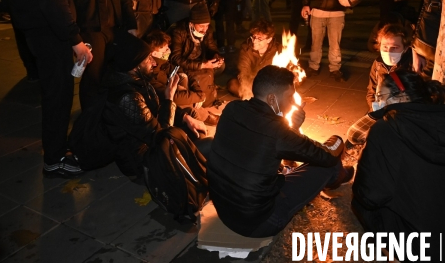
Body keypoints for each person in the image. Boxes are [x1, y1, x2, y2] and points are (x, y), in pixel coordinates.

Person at [352, 70, 445, 260]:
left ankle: (395, 250)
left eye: (380, 96)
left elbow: (370, 195)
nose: (377, 102)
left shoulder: (385, 130)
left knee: (365, 204)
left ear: (402, 97)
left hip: (431, 250)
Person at [5, 0, 93, 178]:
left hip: (40, 33)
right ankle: (55, 159)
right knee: (58, 96)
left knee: (56, 94)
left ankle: (56, 150)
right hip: (49, 35)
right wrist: (75, 38)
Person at [208, 65, 353, 237]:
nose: (293, 103)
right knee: (329, 160)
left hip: (225, 211)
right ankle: (336, 177)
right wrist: (336, 139)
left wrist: (292, 130)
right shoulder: (277, 131)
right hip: (260, 222)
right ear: (271, 99)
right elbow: (325, 156)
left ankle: (335, 177)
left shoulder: (232, 109)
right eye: (290, 97)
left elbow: (259, 141)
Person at [101, 33, 211, 180]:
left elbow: (156, 109)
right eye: (148, 59)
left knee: (191, 117)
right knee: (209, 145)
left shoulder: (136, 80)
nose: (154, 63)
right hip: (144, 161)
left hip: (154, 143)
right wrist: (169, 99)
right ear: (134, 66)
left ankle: (195, 165)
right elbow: (159, 138)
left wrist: (185, 118)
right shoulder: (127, 97)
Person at [144, 29, 219, 126]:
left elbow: (182, 71)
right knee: (182, 94)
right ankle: (204, 116)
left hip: (175, 96)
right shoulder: (149, 73)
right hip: (164, 105)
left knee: (182, 77)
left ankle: (198, 113)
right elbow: (171, 97)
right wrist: (198, 97)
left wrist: (198, 92)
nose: (169, 51)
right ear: (154, 53)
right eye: (165, 49)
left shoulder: (164, 63)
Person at [170, 2, 224, 108]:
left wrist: (216, 56)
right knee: (186, 76)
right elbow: (175, 58)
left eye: (207, 25)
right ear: (192, 24)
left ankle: (209, 90)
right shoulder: (179, 31)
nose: (205, 29)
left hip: (200, 61)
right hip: (184, 65)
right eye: (201, 26)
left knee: (221, 66)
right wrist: (202, 65)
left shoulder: (207, 31)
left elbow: (211, 47)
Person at [227, 19, 281, 100]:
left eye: (259, 38)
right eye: (254, 37)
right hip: (251, 81)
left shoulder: (278, 49)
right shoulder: (246, 48)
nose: (255, 41)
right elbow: (244, 71)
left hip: (269, 83)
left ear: (269, 39)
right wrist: (248, 89)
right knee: (232, 85)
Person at [366, 24, 413, 110]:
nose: (389, 51)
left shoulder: (412, 67)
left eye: (394, 47)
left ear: (405, 48)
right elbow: (371, 92)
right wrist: (374, 109)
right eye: (385, 47)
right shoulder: (378, 64)